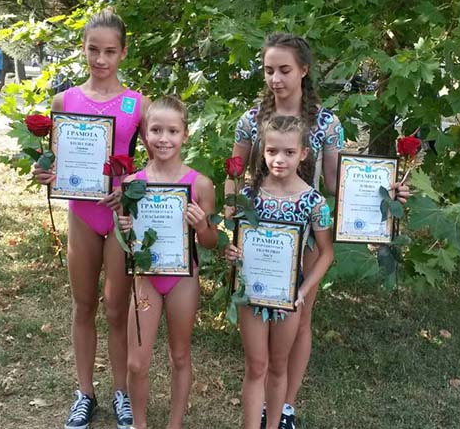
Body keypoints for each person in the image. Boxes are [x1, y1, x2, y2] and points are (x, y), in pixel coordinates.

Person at [226, 33, 410, 429]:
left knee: (300, 312)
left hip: (305, 230)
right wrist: (231, 214)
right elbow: (235, 171)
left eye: (284, 70)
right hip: (258, 229)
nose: (276, 78)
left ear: (304, 70)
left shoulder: (327, 123)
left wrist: (383, 192)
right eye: (269, 70)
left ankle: (284, 407)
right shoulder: (250, 120)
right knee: (260, 312)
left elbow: (336, 180)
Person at [32, 9, 150, 429]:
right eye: (93, 49)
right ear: (83, 48)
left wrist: (132, 184)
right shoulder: (64, 101)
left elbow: (159, 163)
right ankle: (85, 393)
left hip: (118, 218)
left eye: (110, 51)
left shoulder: (138, 104)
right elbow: (56, 159)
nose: (101, 59)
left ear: (123, 52)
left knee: (116, 310)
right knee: (83, 305)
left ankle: (121, 393)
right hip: (82, 215)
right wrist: (44, 170)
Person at [225, 115, 335, 429]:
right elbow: (235, 239)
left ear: (303, 154)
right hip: (252, 293)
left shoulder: (313, 202)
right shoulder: (248, 197)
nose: (279, 159)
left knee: (278, 366)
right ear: (262, 151)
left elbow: (326, 253)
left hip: (289, 295)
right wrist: (230, 252)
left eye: (289, 152)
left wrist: (303, 290)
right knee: (255, 366)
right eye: (272, 151)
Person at [116, 96, 218, 429]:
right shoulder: (132, 184)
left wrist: (202, 226)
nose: (163, 138)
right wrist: (125, 230)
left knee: (180, 355)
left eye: (172, 131)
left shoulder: (200, 184)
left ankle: (174, 424)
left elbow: (211, 242)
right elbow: (127, 242)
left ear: (185, 134)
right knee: (136, 362)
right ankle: (139, 423)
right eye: (156, 130)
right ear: (144, 134)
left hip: (182, 279)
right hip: (145, 278)